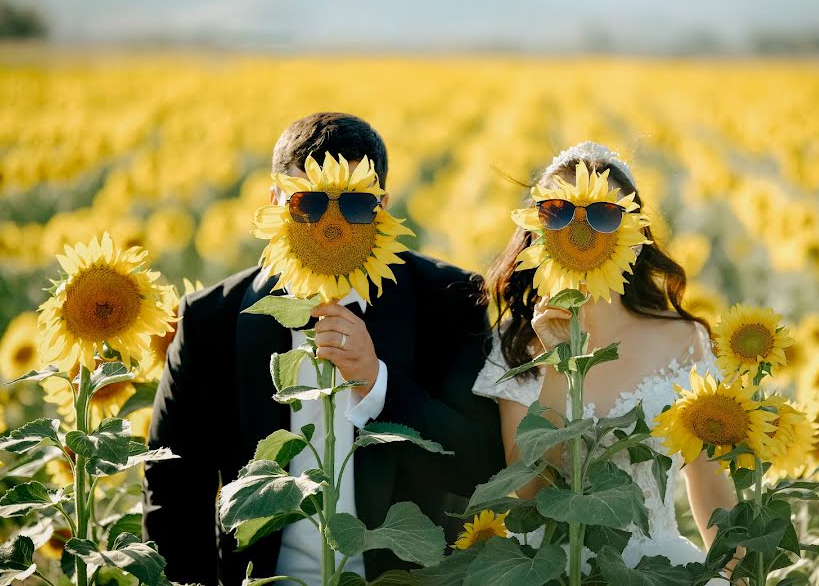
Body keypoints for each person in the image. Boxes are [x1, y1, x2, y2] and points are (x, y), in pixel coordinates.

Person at [143, 112, 505, 585]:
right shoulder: (212, 321)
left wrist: (377, 386)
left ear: (383, 207)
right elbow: (173, 490)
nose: (330, 226)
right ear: (274, 202)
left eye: (354, 205)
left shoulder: (447, 301)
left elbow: (481, 467)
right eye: (309, 204)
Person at [473, 142, 739, 583]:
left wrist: (738, 574)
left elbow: (710, 488)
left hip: (656, 570)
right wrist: (559, 363)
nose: (580, 229)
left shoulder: (681, 339)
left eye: (603, 214)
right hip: (554, 570)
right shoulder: (517, 344)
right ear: (536, 230)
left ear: (632, 232)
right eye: (557, 212)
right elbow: (528, 491)